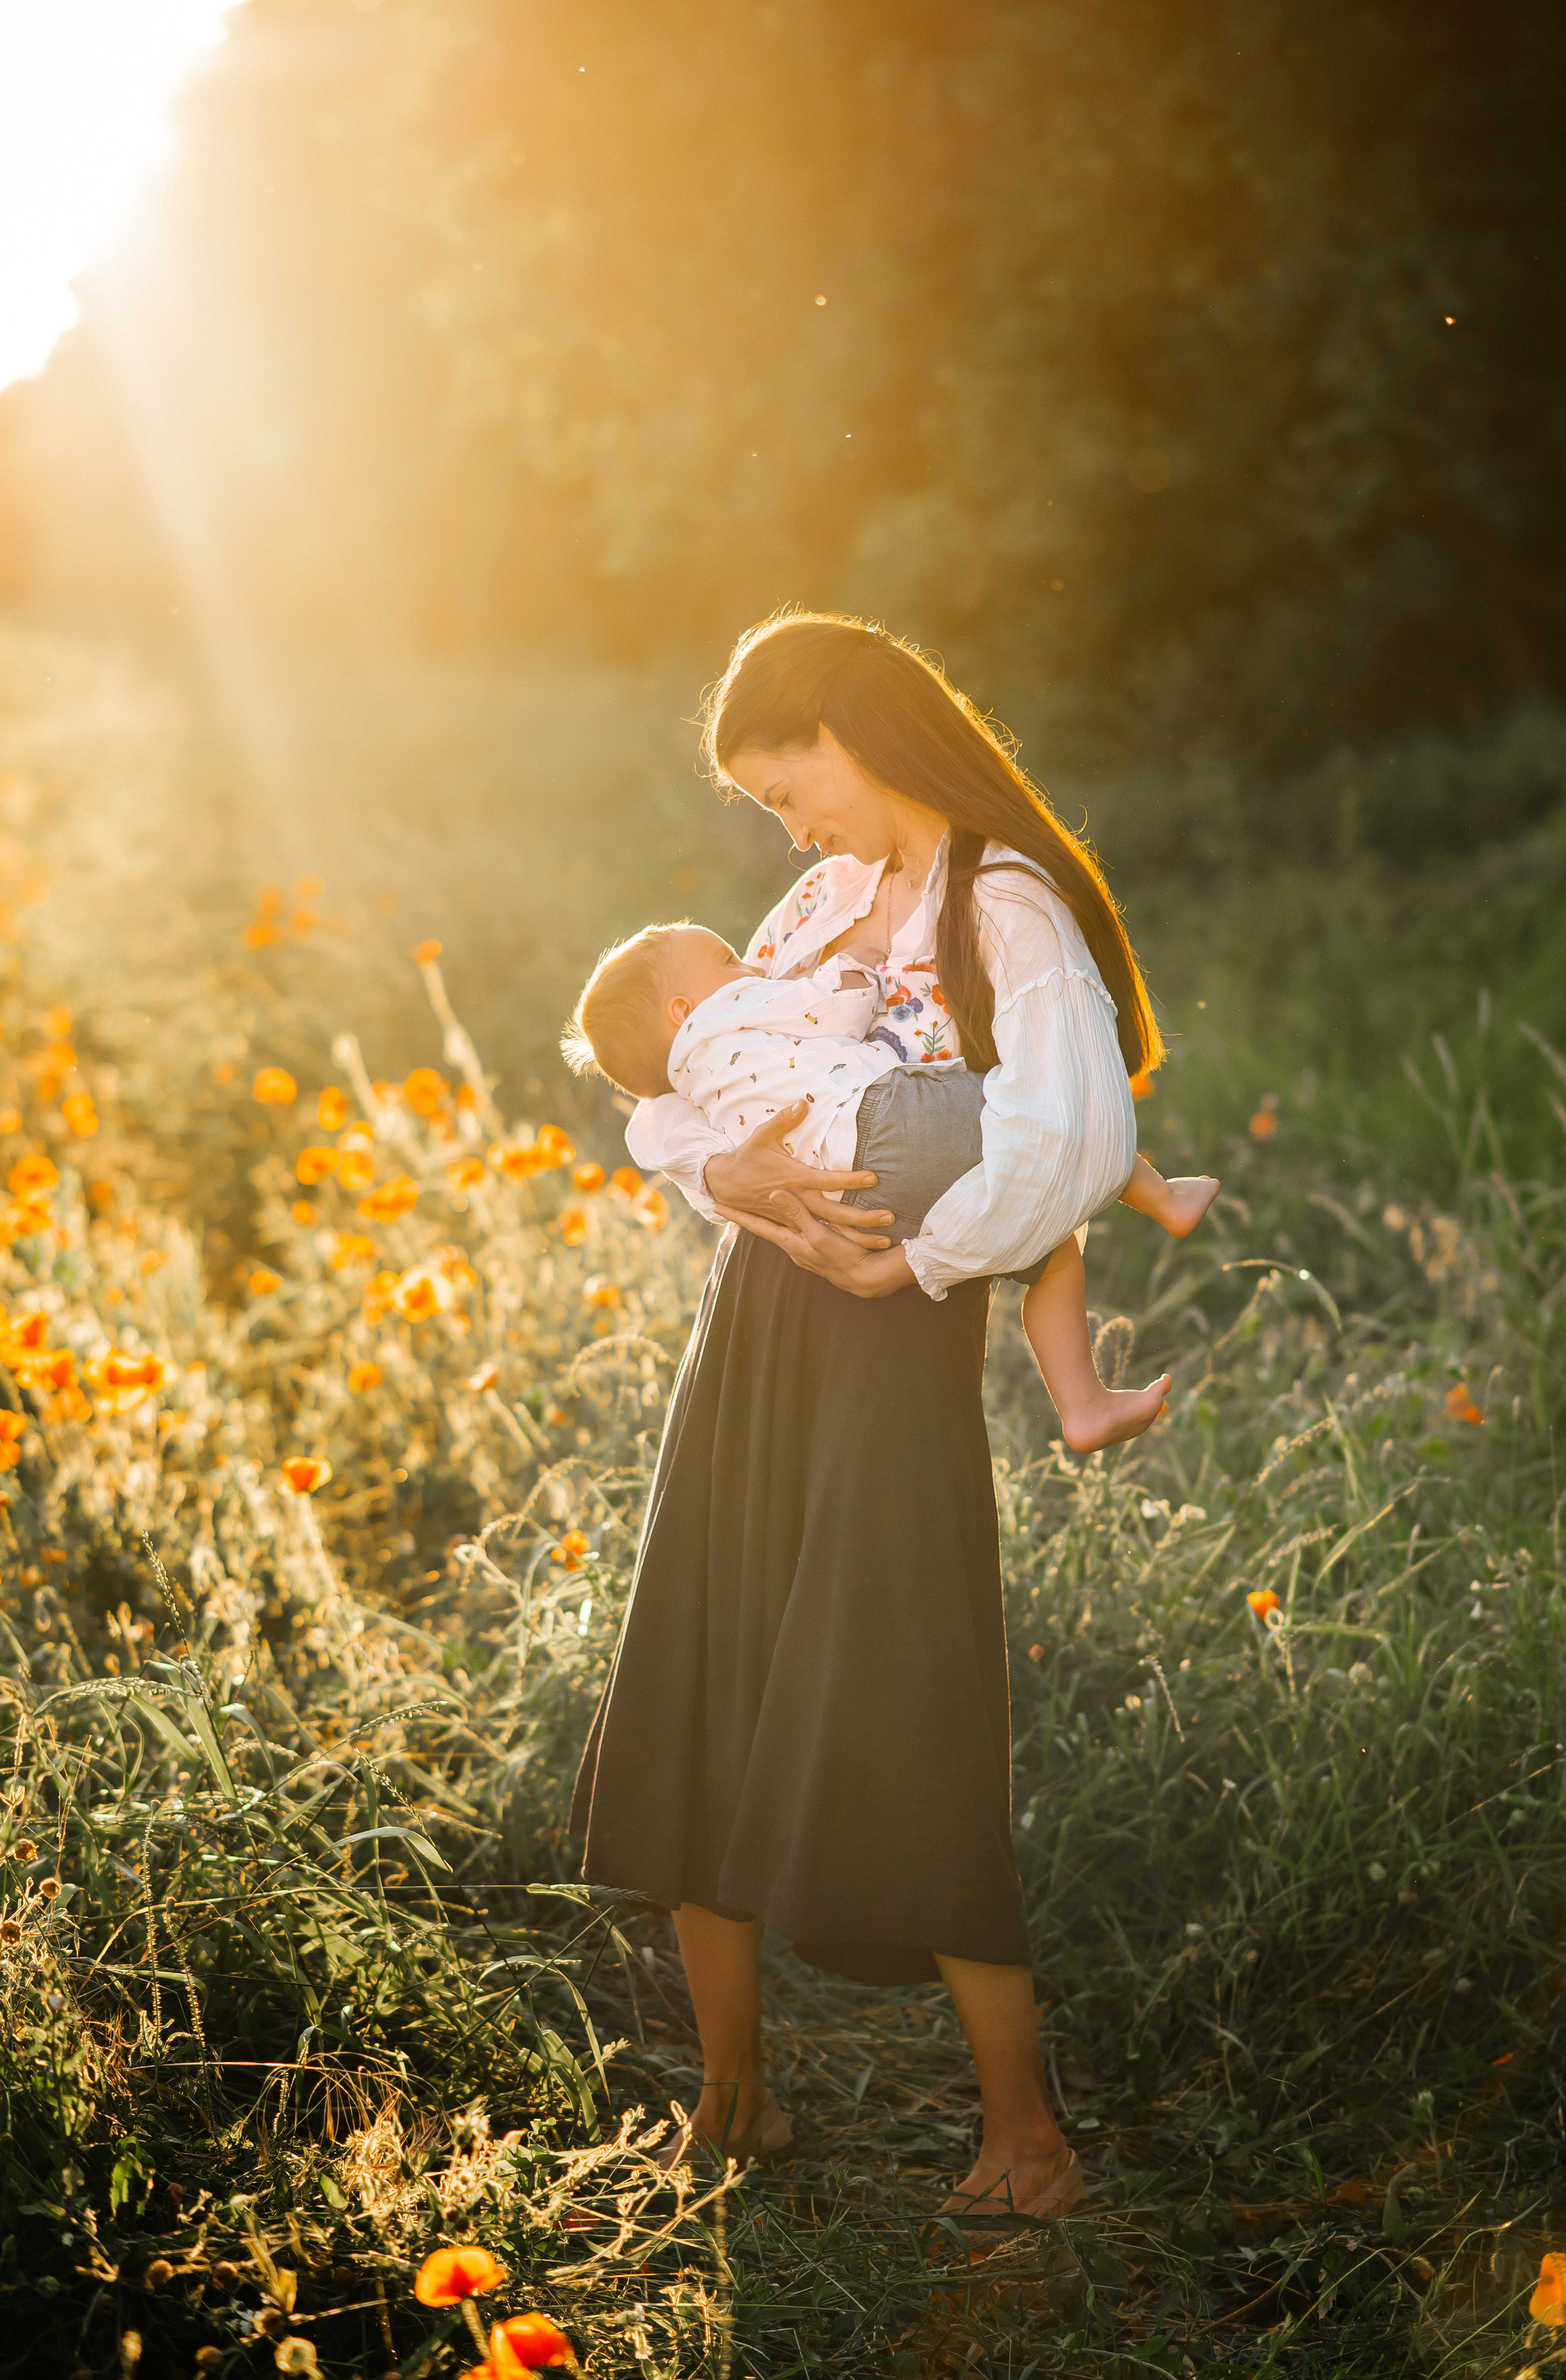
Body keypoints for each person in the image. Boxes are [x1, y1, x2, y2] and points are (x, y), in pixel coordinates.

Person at [567, 611, 1175, 2221]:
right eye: (768, 812)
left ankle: (1025, 2136)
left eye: (792, 789)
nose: (791, 831)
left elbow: (1066, 1137)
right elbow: (686, 1087)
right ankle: (731, 2095)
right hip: (753, 1322)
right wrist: (733, 1176)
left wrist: (902, 1255)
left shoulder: (1007, 905)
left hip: (887, 1332)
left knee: (904, 1708)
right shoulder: (829, 898)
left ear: (858, 731)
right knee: (708, 1670)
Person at [563, 920, 1217, 1451]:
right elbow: (834, 1009)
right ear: (684, 1008)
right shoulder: (733, 1010)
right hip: (886, 1124)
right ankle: (1161, 1202)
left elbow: (653, 1129)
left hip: (853, 1208)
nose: (750, 964)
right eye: (728, 956)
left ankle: (1084, 1408)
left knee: (1051, 1253)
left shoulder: (693, 1084)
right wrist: (853, 965)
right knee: (1046, 1112)